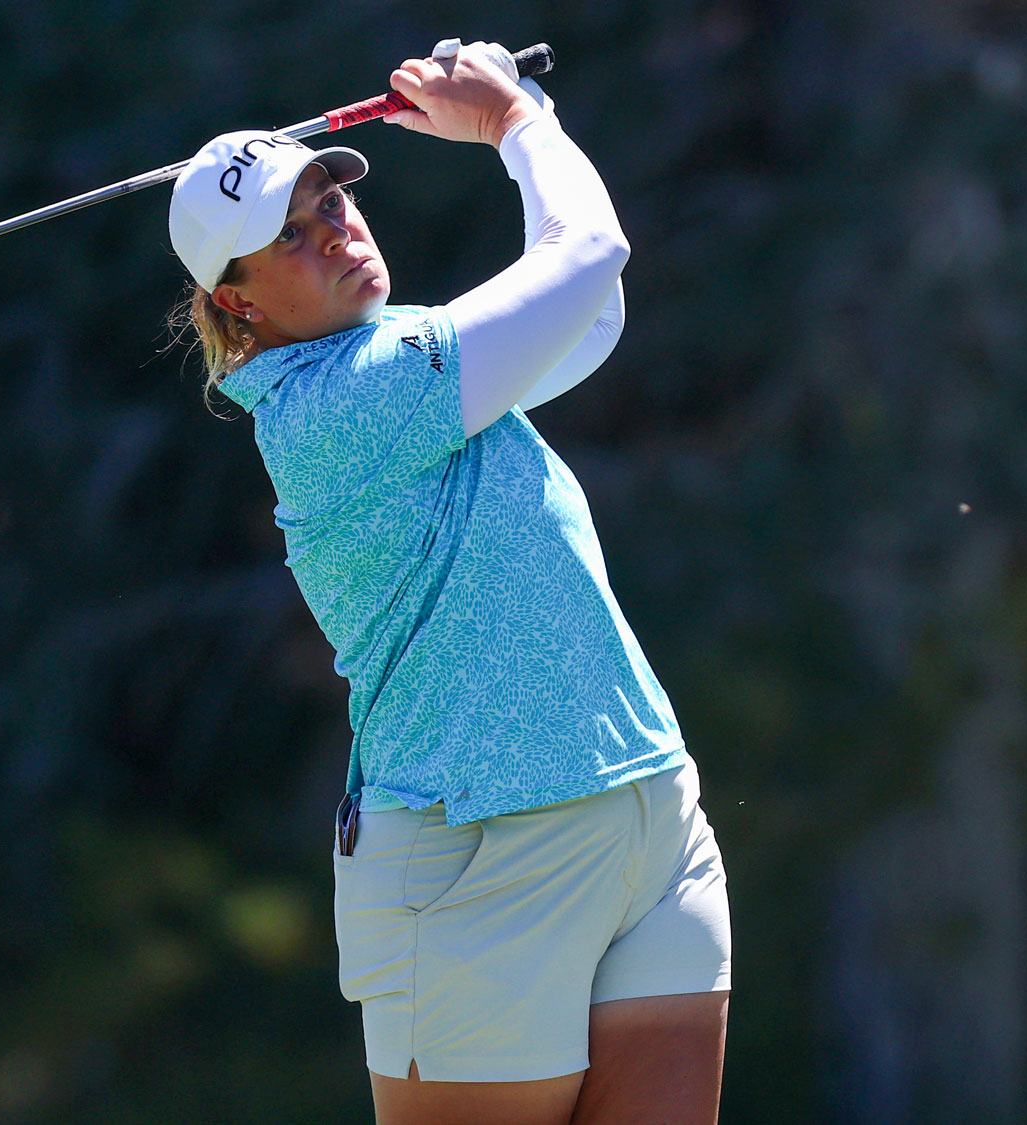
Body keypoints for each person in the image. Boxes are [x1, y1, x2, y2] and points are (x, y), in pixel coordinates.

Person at [166, 40, 731, 1125]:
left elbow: (589, 309)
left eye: (330, 201)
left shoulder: (408, 355)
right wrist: (511, 123)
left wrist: (528, 117)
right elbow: (587, 252)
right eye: (289, 237)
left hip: (647, 816)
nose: (335, 231)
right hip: (474, 861)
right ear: (237, 304)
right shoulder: (335, 406)